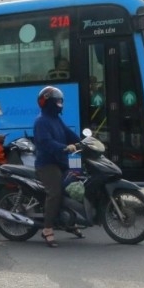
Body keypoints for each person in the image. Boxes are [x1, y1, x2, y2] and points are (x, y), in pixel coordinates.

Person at [33, 86, 79, 248]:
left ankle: (69, 220)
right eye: (57, 101)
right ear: (49, 103)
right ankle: (47, 229)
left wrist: (83, 142)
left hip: (60, 161)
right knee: (55, 192)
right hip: (47, 164)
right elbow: (46, 143)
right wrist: (64, 148)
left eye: (61, 101)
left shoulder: (56, 119)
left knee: (74, 184)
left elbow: (67, 133)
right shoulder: (41, 121)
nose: (60, 103)